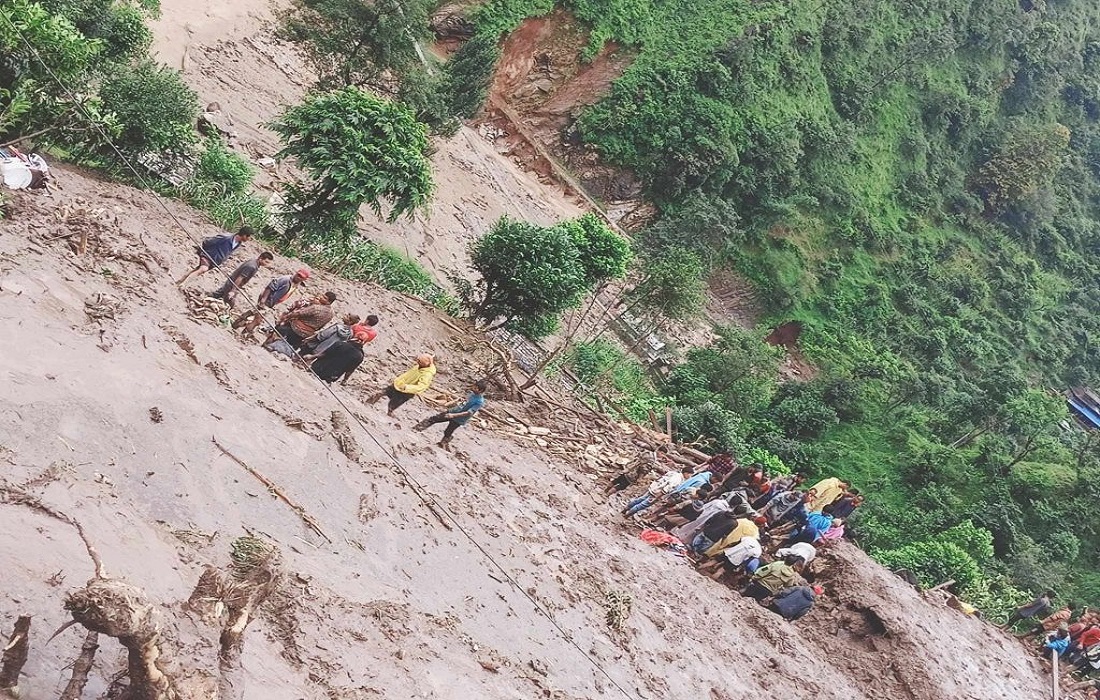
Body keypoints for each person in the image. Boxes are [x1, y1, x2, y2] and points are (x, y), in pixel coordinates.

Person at [413, 379, 488, 449]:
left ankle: (443, 443)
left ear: (481, 390)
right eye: (474, 386)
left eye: (476, 388)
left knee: (448, 431)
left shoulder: (479, 402)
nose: (473, 388)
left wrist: (453, 415)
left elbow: (469, 412)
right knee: (435, 418)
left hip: (459, 419)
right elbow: (463, 402)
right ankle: (417, 428)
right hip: (453, 411)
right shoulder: (471, 394)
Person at [232, 268, 309, 335]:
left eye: (301, 277)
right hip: (267, 300)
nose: (298, 277)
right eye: (298, 275)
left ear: (304, 279)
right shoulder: (286, 280)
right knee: (257, 321)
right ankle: (244, 333)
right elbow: (271, 286)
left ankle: (237, 324)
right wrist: (263, 300)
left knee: (253, 312)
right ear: (296, 273)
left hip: (271, 302)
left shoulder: (295, 284)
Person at [177, 226, 254, 285]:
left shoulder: (238, 244)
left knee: (198, 269)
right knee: (203, 269)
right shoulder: (226, 238)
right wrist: (206, 251)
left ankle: (181, 280)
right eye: (249, 236)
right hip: (208, 255)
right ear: (244, 235)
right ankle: (184, 284)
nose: (249, 239)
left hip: (215, 261)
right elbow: (208, 242)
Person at [369, 354, 437, 416]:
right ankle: (368, 404)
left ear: (426, 364)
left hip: (406, 392)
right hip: (399, 384)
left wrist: (407, 387)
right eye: (418, 360)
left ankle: (387, 414)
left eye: (420, 361)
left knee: (393, 404)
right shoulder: (420, 366)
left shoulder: (427, 374)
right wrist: (398, 380)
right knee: (382, 392)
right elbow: (408, 374)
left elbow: (421, 387)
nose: (417, 361)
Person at [308, 325, 375, 385]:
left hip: (318, 368)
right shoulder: (360, 355)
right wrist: (345, 380)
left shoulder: (340, 344)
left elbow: (324, 354)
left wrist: (311, 356)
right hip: (331, 376)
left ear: (355, 337)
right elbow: (350, 370)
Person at [272, 291, 337, 349]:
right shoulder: (331, 314)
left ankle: (271, 340)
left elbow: (298, 313)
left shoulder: (316, 308)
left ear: (329, 302)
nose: (321, 298)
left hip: (297, 328)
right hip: (308, 333)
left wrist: (286, 316)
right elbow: (321, 326)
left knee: (280, 329)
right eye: (323, 296)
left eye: (324, 298)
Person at [209, 251, 273, 308]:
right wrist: (233, 290)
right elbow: (240, 277)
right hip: (232, 284)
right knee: (229, 303)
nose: (266, 264)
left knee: (219, 294)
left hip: (232, 282)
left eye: (268, 263)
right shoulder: (252, 266)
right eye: (266, 262)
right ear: (260, 258)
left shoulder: (254, 263)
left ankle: (208, 298)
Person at [622, 467, 692, 517]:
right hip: (658, 492)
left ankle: (626, 509)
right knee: (643, 504)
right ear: (686, 473)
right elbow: (667, 488)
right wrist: (657, 497)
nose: (690, 476)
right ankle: (628, 515)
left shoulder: (673, 473)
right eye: (690, 474)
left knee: (640, 499)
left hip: (654, 488)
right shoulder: (678, 479)